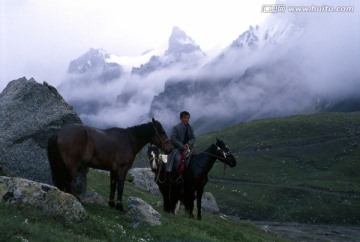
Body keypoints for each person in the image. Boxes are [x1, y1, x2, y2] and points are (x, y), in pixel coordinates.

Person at [170, 111, 195, 183]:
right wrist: (182, 146)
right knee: (178, 160)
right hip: (178, 149)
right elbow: (172, 138)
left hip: (188, 148)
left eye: (188, 118)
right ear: (181, 118)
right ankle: (177, 177)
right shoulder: (176, 127)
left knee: (195, 159)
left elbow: (193, 138)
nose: (186, 120)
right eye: (185, 118)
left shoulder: (190, 128)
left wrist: (188, 144)